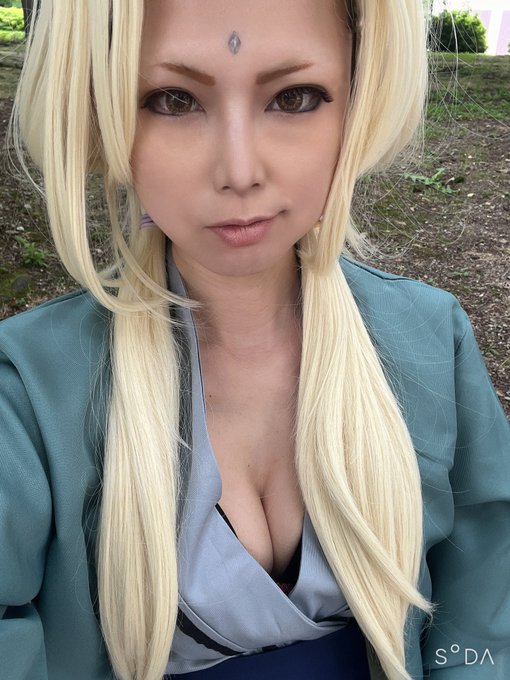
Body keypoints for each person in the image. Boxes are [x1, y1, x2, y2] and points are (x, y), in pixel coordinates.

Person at [0, 1, 508, 679]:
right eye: (173, 100)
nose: (239, 172)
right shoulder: (26, 395)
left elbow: (486, 618)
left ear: (356, 100)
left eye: (294, 98)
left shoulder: (432, 338)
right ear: (101, 113)